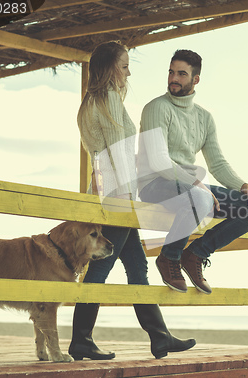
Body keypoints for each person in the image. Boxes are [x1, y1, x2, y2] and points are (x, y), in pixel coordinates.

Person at [69, 41, 195, 360]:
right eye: (124, 65)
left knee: (137, 265)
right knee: (101, 266)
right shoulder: (109, 97)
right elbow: (116, 150)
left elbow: (105, 154)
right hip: (117, 194)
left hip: (103, 189)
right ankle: (81, 339)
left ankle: (159, 336)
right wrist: (127, 198)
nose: (128, 71)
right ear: (110, 67)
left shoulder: (89, 101)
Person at [138, 49, 248, 295]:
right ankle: (169, 257)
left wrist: (243, 187)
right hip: (155, 184)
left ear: (195, 79)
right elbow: (158, 161)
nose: (173, 78)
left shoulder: (204, 118)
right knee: (200, 196)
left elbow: (217, 163)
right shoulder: (156, 108)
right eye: (171, 72)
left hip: (190, 187)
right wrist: (198, 186)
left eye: (181, 74)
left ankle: (196, 254)